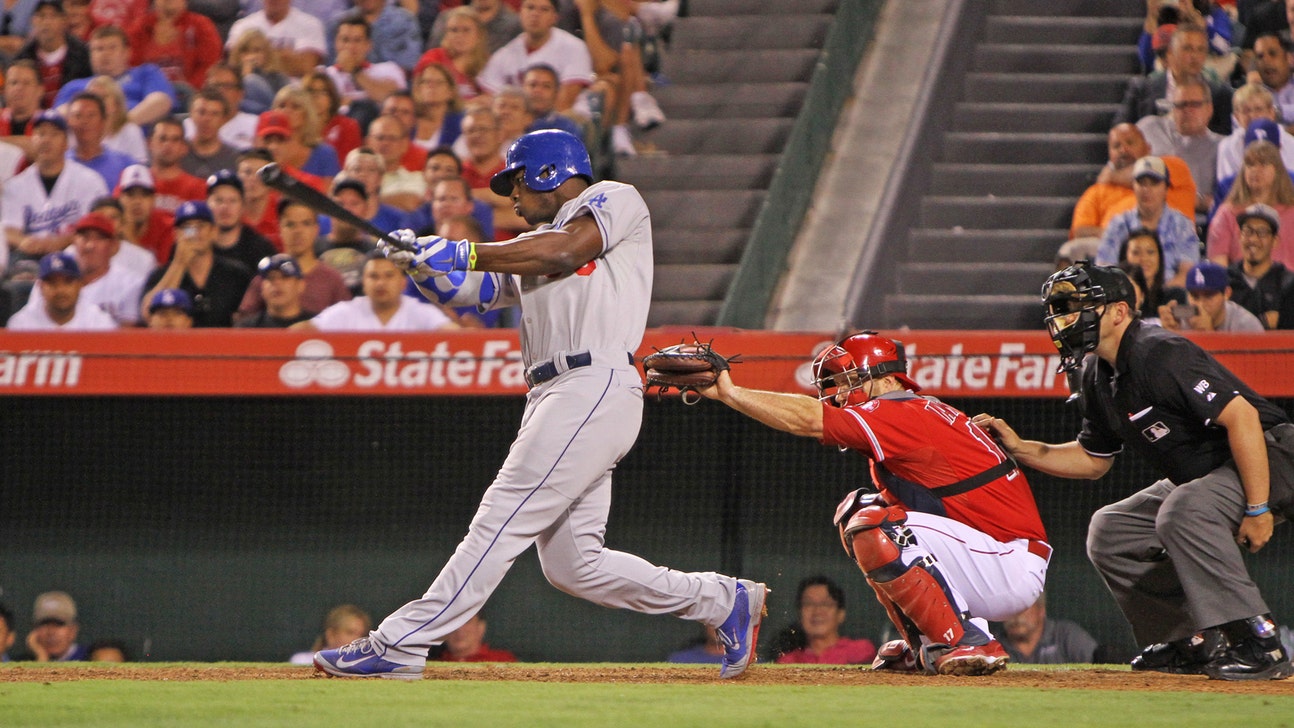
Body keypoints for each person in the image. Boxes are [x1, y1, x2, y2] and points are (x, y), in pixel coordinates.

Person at [313, 129, 767, 681]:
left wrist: (461, 248)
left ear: (550, 171)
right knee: (575, 566)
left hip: (592, 383)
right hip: (554, 393)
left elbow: (567, 248)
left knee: (501, 516)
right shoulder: (532, 243)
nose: (513, 198)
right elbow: (474, 294)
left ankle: (401, 642)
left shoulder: (613, 201)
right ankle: (723, 600)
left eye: (517, 183)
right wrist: (421, 266)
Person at [974, 261, 1294, 681]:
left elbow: (1244, 419)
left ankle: (1258, 642)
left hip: (1272, 457)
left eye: (1079, 305)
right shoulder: (1095, 373)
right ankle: (1189, 642)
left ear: (1120, 312)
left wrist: (1257, 507)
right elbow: (1093, 460)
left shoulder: (1159, 352)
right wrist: (1022, 449)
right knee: (1111, 529)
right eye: (1062, 307)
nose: (1066, 317)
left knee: (1182, 509)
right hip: (1210, 474)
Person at [696, 331, 1046, 676]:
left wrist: (730, 393)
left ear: (886, 379)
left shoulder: (901, 410)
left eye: (848, 380)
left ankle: (969, 640)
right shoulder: (915, 411)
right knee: (856, 510)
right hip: (986, 555)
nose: (838, 393)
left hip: (1007, 561)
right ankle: (927, 643)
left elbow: (807, 419)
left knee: (873, 523)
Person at [2, 110, 108, 279]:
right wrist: (23, 241)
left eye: (54, 134)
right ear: (32, 140)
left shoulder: (89, 180)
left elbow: (97, 227)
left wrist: (61, 242)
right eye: (41, 134)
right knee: (19, 276)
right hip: (30, 258)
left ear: (66, 143)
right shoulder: (16, 185)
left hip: (75, 252)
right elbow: (8, 229)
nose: (46, 140)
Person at [1070, 124, 1197, 240]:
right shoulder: (1097, 191)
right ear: (1109, 154)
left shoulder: (1175, 166)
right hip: (1113, 252)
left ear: (1148, 148)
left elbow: (1146, 170)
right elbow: (1079, 231)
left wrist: (1112, 175)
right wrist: (1117, 234)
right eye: (1116, 146)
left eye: (1130, 143)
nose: (1123, 150)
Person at [140, 200, 253, 327]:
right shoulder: (159, 275)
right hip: (179, 345)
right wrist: (179, 264)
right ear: (176, 234)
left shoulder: (236, 274)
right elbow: (148, 315)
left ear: (213, 231)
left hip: (225, 344)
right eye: (187, 228)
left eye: (200, 226)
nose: (194, 234)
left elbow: (251, 319)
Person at [236, 198, 350, 321]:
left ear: (316, 229)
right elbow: (244, 324)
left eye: (306, 223)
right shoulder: (267, 277)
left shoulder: (332, 279)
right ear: (280, 228)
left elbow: (347, 324)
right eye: (290, 224)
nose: (298, 231)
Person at [23, 211, 145, 326]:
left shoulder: (130, 283)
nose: (90, 245)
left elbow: (125, 338)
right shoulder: (50, 276)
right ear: (74, 241)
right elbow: (31, 319)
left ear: (113, 246)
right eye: (85, 237)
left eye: (99, 239)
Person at [1096, 156, 1200, 287]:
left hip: (1171, 297)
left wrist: (1156, 296)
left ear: (1166, 188)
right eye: (1141, 183)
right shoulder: (1118, 224)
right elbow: (1104, 271)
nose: (1147, 189)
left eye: (1154, 183)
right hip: (1126, 297)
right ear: (1133, 186)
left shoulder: (1182, 225)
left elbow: (1188, 274)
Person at [1114, 23, 1233, 136]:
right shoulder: (1142, 89)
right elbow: (1121, 130)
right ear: (1170, 52)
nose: (1195, 56)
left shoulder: (1220, 94)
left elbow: (1225, 135)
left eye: (1200, 49)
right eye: (1187, 48)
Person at [477, 0, 593, 112]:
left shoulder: (573, 47)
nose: (535, 14)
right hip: (516, 126)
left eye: (544, 9)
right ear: (520, 13)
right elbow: (489, 100)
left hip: (565, 123)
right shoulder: (503, 55)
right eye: (530, 7)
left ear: (555, 17)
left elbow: (565, 102)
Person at [293, 252, 455, 332]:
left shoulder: (420, 313)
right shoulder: (347, 312)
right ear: (363, 282)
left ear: (402, 282)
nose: (380, 283)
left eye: (389, 276)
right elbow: (299, 331)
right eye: (373, 276)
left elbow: (455, 335)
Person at [54, 24, 178, 127]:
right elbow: (58, 116)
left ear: (127, 52)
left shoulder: (146, 73)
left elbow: (161, 101)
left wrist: (121, 127)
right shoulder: (74, 86)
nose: (105, 54)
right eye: (99, 49)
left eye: (112, 48)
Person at [1136, 74, 1221, 213]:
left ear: (1209, 109)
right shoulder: (1149, 127)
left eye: (1194, 104)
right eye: (1180, 105)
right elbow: (1113, 170)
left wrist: (1197, 201)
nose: (1187, 110)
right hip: (1145, 213)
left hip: (1194, 220)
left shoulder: (1222, 146)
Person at [1208, 139, 1294, 266]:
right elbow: (1218, 265)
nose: (1255, 170)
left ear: (1277, 170)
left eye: (1263, 164)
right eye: (1250, 164)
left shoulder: (1291, 213)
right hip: (1238, 284)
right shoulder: (1227, 213)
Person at [771, 576, 876, 666]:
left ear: (840, 614)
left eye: (826, 604)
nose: (817, 611)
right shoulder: (788, 662)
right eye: (809, 604)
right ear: (799, 614)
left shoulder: (860, 651)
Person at [124, 0, 221, 94]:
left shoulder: (201, 25)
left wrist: (189, 89)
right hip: (146, 95)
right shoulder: (139, 28)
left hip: (189, 95)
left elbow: (210, 66)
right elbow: (130, 67)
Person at [7, 251, 119, 330]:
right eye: (52, 283)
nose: (60, 290)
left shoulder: (99, 323)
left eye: (68, 282)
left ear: (80, 285)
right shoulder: (21, 324)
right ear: (40, 287)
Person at [1226, 202, 1294, 328]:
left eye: (1262, 232)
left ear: (1275, 241)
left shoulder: (1289, 285)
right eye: (1248, 231)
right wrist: (1263, 323)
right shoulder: (1225, 280)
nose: (1253, 239)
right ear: (1239, 236)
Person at [15, 0, 92, 110]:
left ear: (64, 21)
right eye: (41, 16)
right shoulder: (23, 57)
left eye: (53, 16)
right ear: (33, 20)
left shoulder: (83, 55)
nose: (46, 22)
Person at [323, 13, 406, 113]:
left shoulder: (388, 69)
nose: (350, 47)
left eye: (357, 40)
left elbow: (393, 101)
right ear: (336, 43)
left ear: (368, 45)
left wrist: (354, 71)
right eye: (345, 40)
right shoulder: (324, 75)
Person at [225, 0, 327, 79]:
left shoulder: (310, 25)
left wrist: (260, 60)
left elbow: (306, 67)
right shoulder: (242, 26)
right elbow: (235, 65)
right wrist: (286, 58)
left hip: (295, 94)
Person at [1159, 259, 1267, 332]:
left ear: (1227, 293)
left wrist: (1208, 335)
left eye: (1209, 296)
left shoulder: (1246, 326)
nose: (1200, 304)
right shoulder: (1181, 320)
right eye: (1195, 297)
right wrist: (1170, 337)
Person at [997, 592, 1100, 665]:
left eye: (1023, 607)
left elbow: (1098, 668)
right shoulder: (994, 645)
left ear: (1041, 610)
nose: (1016, 615)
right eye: (1009, 608)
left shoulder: (1066, 636)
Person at [206, 169, 277, 273]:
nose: (225, 207)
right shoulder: (196, 244)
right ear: (207, 204)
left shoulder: (260, 249)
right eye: (219, 200)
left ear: (243, 206)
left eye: (233, 201)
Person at [414, 6, 489, 103]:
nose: (459, 36)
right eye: (454, 30)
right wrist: (469, 104)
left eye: (466, 30)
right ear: (446, 34)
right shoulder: (433, 59)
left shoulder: (486, 61)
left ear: (479, 35)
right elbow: (420, 96)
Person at [65, 91, 135, 190]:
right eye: (78, 116)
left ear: (103, 121)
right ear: (69, 122)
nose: (85, 121)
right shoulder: (59, 164)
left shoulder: (126, 165)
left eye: (91, 115)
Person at [326, 0, 420, 72]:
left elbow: (409, 66)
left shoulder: (405, 21)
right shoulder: (337, 23)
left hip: (393, 90)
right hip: (345, 89)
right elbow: (330, 66)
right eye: (345, 40)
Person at [1118, 227, 1186, 322]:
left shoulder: (1175, 297)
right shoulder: (1116, 302)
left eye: (1150, 252)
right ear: (1124, 257)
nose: (1144, 259)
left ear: (1160, 257)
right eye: (1136, 252)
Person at [186, 64, 258, 151]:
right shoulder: (187, 126)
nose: (220, 91)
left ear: (240, 94)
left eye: (227, 86)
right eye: (215, 86)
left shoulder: (255, 124)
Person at [148, 118, 209, 215]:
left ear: (184, 147)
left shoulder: (198, 188)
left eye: (175, 140)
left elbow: (201, 227)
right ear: (150, 144)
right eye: (162, 139)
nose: (168, 145)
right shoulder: (136, 183)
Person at [236, 253, 315, 328]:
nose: (277, 283)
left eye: (285, 277)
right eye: (270, 278)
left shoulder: (316, 326)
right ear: (262, 287)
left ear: (300, 285)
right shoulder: (247, 329)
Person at [367, 115, 425, 212]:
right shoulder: (349, 176)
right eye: (380, 138)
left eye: (392, 138)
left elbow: (410, 203)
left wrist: (362, 201)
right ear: (368, 142)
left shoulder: (418, 179)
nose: (385, 143)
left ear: (405, 144)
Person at [84, 74, 148, 163]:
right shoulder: (79, 131)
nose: (97, 102)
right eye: (93, 97)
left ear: (115, 103)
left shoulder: (130, 131)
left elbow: (138, 170)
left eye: (103, 97)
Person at [181, 89, 241, 179]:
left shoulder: (235, 159)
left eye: (214, 114)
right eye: (201, 112)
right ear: (191, 114)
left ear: (224, 119)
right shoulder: (178, 154)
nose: (207, 119)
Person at [303, 70, 360, 163]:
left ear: (332, 97)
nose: (316, 97)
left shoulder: (347, 126)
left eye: (323, 92)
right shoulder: (297, 125)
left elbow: (347, 163)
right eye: (311, 91)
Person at [289, 604, 372, 666]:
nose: (357, 640)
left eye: (361, 635)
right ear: (331, 635)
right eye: (349, 632)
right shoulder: (302, 661)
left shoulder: (366, 666)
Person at [409, 62, 465, 153]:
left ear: (450, 91)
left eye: (438, 82)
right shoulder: (409, 120)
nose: (431, 86)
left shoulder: (460, 124)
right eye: (426, 82)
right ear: (419, 89)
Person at [25, 591, 88, 662]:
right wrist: (41, 657)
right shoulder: (22, 663)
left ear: (73, 630)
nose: (51, 632)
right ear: (34, 629)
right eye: (44, 624)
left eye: (58, 624)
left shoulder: (91, 658)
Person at [523, 63, 582, 138]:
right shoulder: (509, 123)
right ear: (522, 88)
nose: (538, 90)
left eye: (546, 86)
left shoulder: (565, 128)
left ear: (556, 92)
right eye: (533, 85)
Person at [431, 614, 517, 662]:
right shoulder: (431, 665)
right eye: (453, 623)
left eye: (467, 622)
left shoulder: (502, 661)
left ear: (481, 627)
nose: (459, 629)